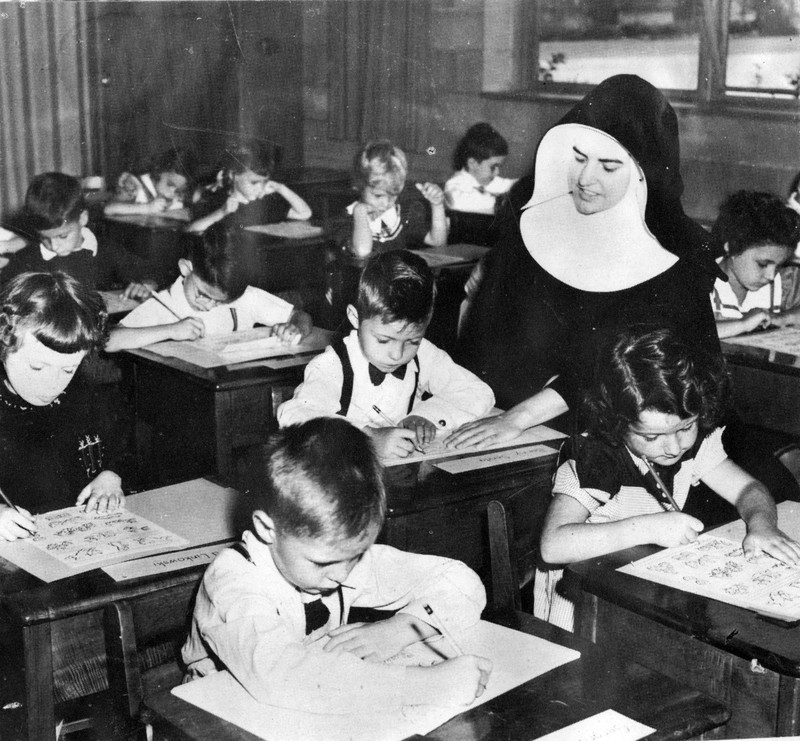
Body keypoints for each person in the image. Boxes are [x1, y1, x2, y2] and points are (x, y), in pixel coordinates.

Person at [449, 74, 719, 449]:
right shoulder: (534, 227)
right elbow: (490, 339)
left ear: (642, 175)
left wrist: (520, 418)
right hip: (508, 417)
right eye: (578, 159)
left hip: (627, 435)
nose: (585, 179)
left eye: (608, 167)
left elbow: (624, 370)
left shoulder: (672, 266)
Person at [182, 417, 492, 712]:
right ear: (267, 529)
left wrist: (397, 631)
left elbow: (462, 582)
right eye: (323, 562)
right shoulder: (234, 581)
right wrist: (425, 685)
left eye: (355, 556)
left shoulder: (335, 558)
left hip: (312, 707)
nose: (341, 576)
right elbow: (281, 678)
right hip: (221, 715)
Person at [535, 327, 800, 631]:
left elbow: (748, 490)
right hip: (581, 602)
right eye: (651, 436)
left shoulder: (692, 444)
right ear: (617, 422)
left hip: (642, 585)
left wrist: (762, 525)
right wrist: (648, 527)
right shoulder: (596, 453)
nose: (673, 447)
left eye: (686, 428)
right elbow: (552, 545)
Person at [278, 250, 494, 459]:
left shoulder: (424, 354)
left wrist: (427, 415)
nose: (397, 354)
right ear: (355, 318)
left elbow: (478, 392)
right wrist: (366, 439)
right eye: (384, 340)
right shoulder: (332, 365)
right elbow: (296, 416)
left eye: (412, 341)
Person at [0, 272, 127, 541]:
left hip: (78, 540)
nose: (52, 384)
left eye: (68, 369)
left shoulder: (82, 391)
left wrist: (110, 473)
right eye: (37, 366)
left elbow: (116, 441)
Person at [106, 223, 312, 351]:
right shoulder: (164, 303)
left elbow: (301, 316)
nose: (210, 306)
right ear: (186, 268)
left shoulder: (244, 297)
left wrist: (296, 329)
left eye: (221, 301)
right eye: (203, 294)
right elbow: (110, 340)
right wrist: (171, 330)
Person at [3, 172, 154, 300]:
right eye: (44, 238)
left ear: (83, 219)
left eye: (62, 236)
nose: (54, 246)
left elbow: (149, 275)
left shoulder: (106, 250)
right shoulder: (26, 261)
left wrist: (145, 286)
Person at [710, 190, 800, 338]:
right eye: (763, 264)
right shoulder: (695, 280)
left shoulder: (785, 282)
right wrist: (743, 324)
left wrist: (781, 318)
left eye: (778, 266)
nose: (771, 276)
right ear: (732, 247)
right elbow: (677, 330)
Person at [345, 139, 447, 258]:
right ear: (360, 185)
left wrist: (437, 205)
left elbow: (438, 242)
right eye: (378, 196)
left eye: (393, 195)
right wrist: (360, 212)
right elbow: (363, 251)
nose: (386, 204)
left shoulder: (401, 214)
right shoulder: (348, 217)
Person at [187, 142, 312, 234]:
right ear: (233, 175)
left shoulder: (266, 203)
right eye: (253, 182)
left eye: (264, 182)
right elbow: (191, 229)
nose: (259, 188)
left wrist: (281, 188)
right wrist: (221, 212)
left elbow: (304, 213)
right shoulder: (218, 199)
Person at [444, 122, 516, 216]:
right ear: (473, 163)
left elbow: (510, 185)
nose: (497, 172)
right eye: (493, 167)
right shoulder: (455, 185)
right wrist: (503, 202)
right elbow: (457, 202)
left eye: (499, 167)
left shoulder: (486, 180)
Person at [103, 146, 196, 218]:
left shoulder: (179, 195)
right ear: (160, 172)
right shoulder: (135, 185)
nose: (172, 192)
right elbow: (109, 209)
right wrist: (147, 208)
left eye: (179, 190)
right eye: (170, 184)